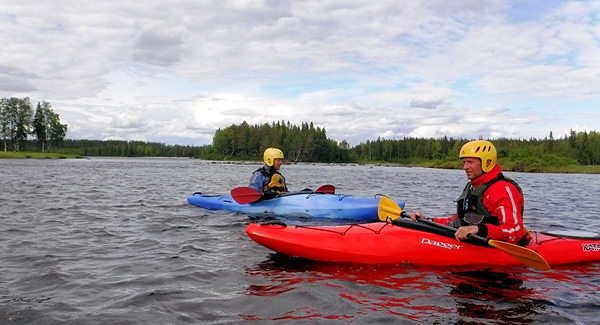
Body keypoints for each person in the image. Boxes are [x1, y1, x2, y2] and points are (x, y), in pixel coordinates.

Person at [410, 140, 529, 245]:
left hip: (496, 245)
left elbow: (514, 231)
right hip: (475, 240)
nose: (465, 167)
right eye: (464, 162)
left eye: (470, 162)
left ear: (487, 163)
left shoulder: (503, 189)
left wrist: (478, 229)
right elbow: (461, 220)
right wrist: (428, 220)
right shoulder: (473, 187)